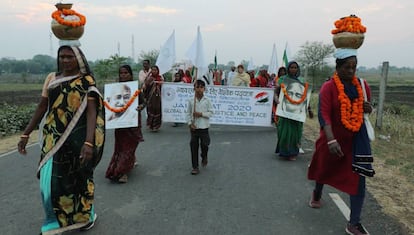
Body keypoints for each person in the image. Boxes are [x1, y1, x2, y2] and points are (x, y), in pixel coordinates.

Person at [17, 45, 105, 234]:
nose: (65, 60)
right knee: (48, 184)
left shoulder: (86, 81)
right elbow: (42, 107)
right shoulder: (51, 78)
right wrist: (25, 134)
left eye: (69, 57)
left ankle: (87, 215)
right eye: (62, 57)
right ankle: (52, 220)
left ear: (79, 59)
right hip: (52, 139)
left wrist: (89, 143)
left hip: (78, 140)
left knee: (79, 179)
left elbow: (91, 112)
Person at [308, 52, 374, 235]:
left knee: (359, 180)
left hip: (355, 142)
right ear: (337, 68)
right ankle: (317, 193)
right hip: (332, 140)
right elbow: (324, 114)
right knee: (323, 170)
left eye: (354, 67)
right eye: (347, 67)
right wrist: (330, 139)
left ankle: (354, 223)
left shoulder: (362, 85)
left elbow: (366, 109)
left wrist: (369, 109)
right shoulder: (329, 87)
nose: (351, 71)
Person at [105, 65, 145, 183]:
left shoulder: (134, 88)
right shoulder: (114, 89)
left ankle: (127, 164)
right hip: (120, 123)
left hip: (132, 122)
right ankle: (121, 172)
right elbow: (109, 103)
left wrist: (140, 106)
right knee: (122, 147)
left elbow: (143, 102)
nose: (123, 75)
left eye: (125, 73)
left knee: (131, 145)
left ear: (130, 74)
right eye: (121, 73)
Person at [275, 61, 310, 161]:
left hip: (297, 112)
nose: (293, 69)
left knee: (295, 132)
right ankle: (284, 151)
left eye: (295, 68)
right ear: (288, 69)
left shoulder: (300, 81)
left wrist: (309, 108)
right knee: (284, 130)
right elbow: (276, 92)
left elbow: (305, 96)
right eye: (291, 67)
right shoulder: (283, 80)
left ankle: (293, 152)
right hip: (284, 110)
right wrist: (276, 99)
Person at [186, 80, 213, 175]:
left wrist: (201, 114)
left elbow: (211, 113)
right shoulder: (190, 100)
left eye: (201, 87)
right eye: (197, 87)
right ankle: (195, 167)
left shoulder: (207, 100)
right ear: (194, 88)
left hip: (204, 127)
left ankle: (204, 156)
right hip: (194, 127)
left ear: (204, 89)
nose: (199, 89)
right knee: (193, 146)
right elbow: (188, 113)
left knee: (205, 144)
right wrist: (190, 124)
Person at [143, 65, 164, 131]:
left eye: (155, 70)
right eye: (152, 70)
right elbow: (145, 88)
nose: (154, 71)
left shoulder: (160, 78)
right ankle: (150, 124)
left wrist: (160, 84)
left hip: (158, 98)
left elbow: (164, 88)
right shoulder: (149, 78)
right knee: (150, 109)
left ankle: (156, 126)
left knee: (157, 110)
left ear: (158, 71)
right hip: (151, 98)